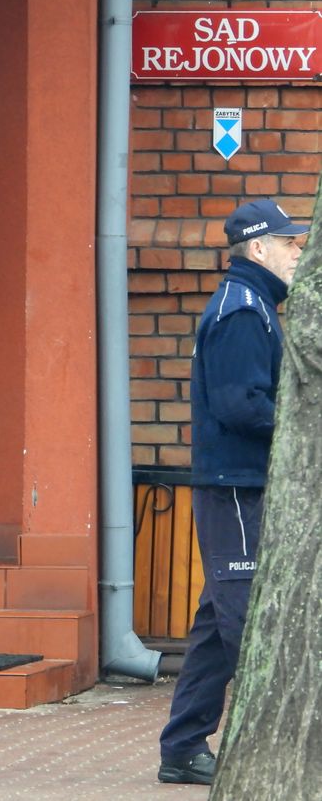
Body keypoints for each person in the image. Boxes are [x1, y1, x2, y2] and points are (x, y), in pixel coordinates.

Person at [158, 199, 308, 785]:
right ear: (257, 248)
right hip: (236, 487)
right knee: (246, 623)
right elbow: (240, 404)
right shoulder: (244, 310)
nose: (299, 252)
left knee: (214, 629)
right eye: (289, 243)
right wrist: (299, 430)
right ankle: (268, 753)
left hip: (237, 486)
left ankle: (181, 748)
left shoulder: (254, 305)